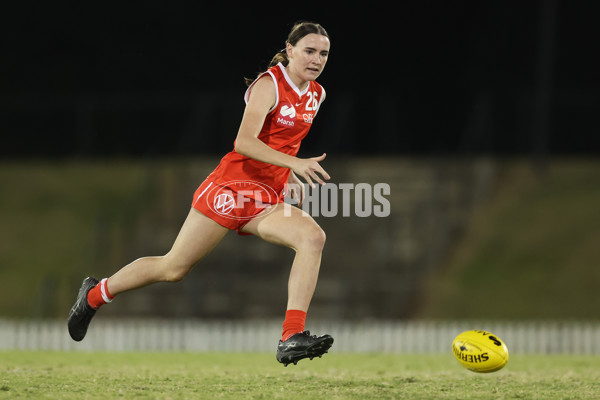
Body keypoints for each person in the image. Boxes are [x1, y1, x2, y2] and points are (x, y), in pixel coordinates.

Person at [68, 21, 333, 366]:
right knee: (173, 268)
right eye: (309, 51)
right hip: (230, 188)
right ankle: (94, 295)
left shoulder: (317, 93)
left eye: (323, 53)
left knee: (312, 237)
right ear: (290, 49)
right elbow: (244, 142)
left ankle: (291, 336)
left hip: (265, 198)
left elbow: (282, 141)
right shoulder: (269, 85)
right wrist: (293, 164)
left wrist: (286, 174)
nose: (316, 59)